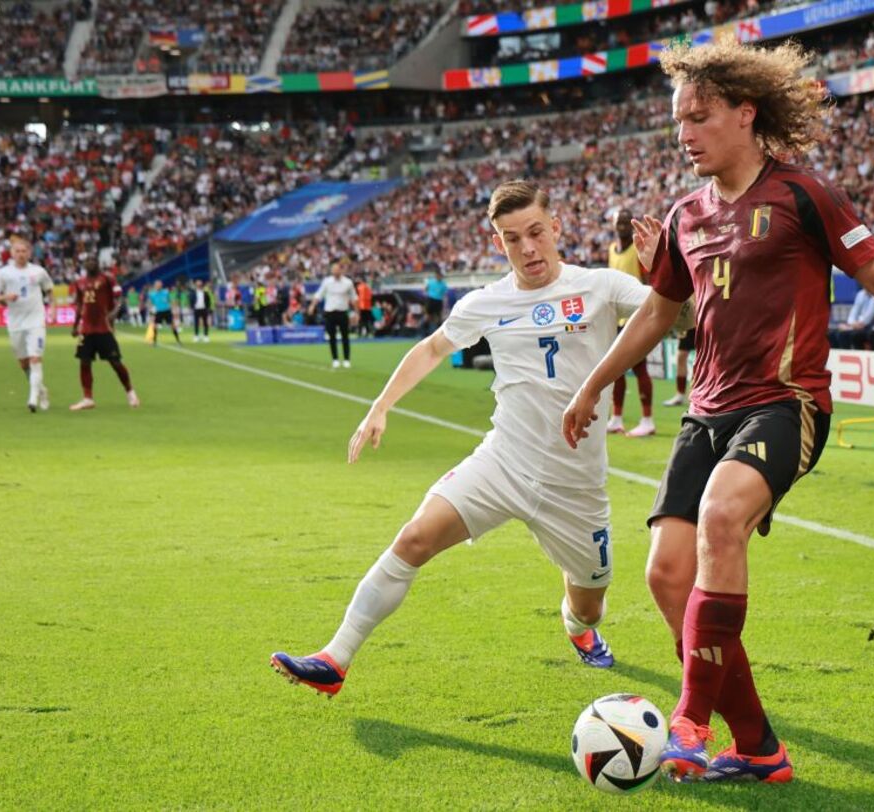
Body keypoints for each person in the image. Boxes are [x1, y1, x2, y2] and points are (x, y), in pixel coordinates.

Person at [562, 39, 874, 784]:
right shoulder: (684, 214)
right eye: (678, 121)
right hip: (707, 411)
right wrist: (591, 386)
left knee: (723, 519)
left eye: (701, 116)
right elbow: (656, 317)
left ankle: (689, 719)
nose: (685, 133)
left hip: (787, 404)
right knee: (665, 575)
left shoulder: (802, 197)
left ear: (745, 114)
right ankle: (757, 746)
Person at [270, 180, 650, 697]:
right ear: (499, 244)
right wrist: (380, 406)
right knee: (413, 539)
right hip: (503, 463)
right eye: (512, 238)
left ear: (556, 227)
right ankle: (335, 658)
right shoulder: (486, 302)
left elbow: (675, 314)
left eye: (536, 232)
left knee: (590, 603)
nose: (528, 247)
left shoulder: (602, 286)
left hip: (575, 486)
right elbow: (430, 349)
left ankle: (576, 626)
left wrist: (666, 274)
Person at [0, 234, 53, 412]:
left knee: (35, 358)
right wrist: (5, 297)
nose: (21, 254)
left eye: (24, 251)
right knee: (24, 363)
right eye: (17, 251)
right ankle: (42, 390)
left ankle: (32, 399)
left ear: (29, 253)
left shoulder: (38, 271)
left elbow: (49, 289)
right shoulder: (3, 273)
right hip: (16, 322)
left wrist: (52, 309)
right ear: (12, 253)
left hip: (36, 321)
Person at [606, 207, 656, 437]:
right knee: (615, 369)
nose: (623, 225)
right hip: (617, 317)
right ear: (613, 224)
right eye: (619, 222)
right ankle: (616, 418)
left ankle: (647, 419)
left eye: (626, 221)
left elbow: (648, 282)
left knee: (639, 367)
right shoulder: (611, 250)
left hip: (637, 315)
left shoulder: (637, 251)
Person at [68, 259, 139, 411]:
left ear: (98, 264)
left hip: (103, 329)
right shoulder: (79, 283)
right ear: (84, 265)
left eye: (93, 261)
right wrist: (75, 326)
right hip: (86, 330)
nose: (90, 264)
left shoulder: (108, 279)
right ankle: (87, 398)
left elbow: (120, 298)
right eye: (87, 262)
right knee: (84, 362)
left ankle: (130, 391)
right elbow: (80, 305)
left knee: (115, 362)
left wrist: (114, 312)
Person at [309, 263, 358, 369]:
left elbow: (354, 298)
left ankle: (346, 359)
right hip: (330, 312)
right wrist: (312, 305)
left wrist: (357, 313)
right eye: (333, 270)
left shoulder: (348, 283)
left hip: (342, 312)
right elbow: (319, 294)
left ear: (341, 270)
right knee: (332, 337)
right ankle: (335, 359)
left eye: (337, 269)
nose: (335, 272)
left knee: (345, 337)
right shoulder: (327, 282)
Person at [827, 282, 874, 350]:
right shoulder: (860, 294)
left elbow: (868, 317)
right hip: (856, 325)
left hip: (870, 327)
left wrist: (852, 326)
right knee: (834, 334)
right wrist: (852, 324)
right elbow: (853, 313)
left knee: (851, 335)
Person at [663, 324, 695, 407]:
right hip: (690, 323)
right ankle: (680, 395)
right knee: (681, 356)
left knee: (703, 356)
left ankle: (697, 394)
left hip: (705, 319)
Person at [147, 279, 181, 345]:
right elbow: (151, 303)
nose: (158, 286)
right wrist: (151, 313)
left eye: (159, 285)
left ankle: (178, 341)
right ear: (155, 286)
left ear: (161, 285)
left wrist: (174, 308)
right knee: (155, 326)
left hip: (167, 311)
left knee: (173, 325)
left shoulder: (166, 292)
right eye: (157, 285)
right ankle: (154, 341)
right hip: (158, 312)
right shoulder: (152, 294)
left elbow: (170, 301)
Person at [423, 268, 448, 335]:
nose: (440, 277)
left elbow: (444, 295)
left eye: (441, 275)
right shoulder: (431, 282)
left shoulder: (443, 284)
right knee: (428, 316)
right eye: (439, 275)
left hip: (438, 301)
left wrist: (444, 304)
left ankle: (438, 333)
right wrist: (428, 294)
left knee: (438, 317)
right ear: (436, 275)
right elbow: (425, 289)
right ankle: (425, 333)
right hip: (431, 300)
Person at [191, 278, 213, 342]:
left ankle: (206, 336)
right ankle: (196, 336)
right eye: (198, 284)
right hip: (196, 309)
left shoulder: (205, 292)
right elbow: (191, 300)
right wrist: (192, 307)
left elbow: (208, 301)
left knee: (205, 323)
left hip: (204, 309)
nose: (199, 285)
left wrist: (208, 308)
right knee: (196, 323)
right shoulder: (193, 292)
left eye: (200, 284)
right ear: (195, 285)